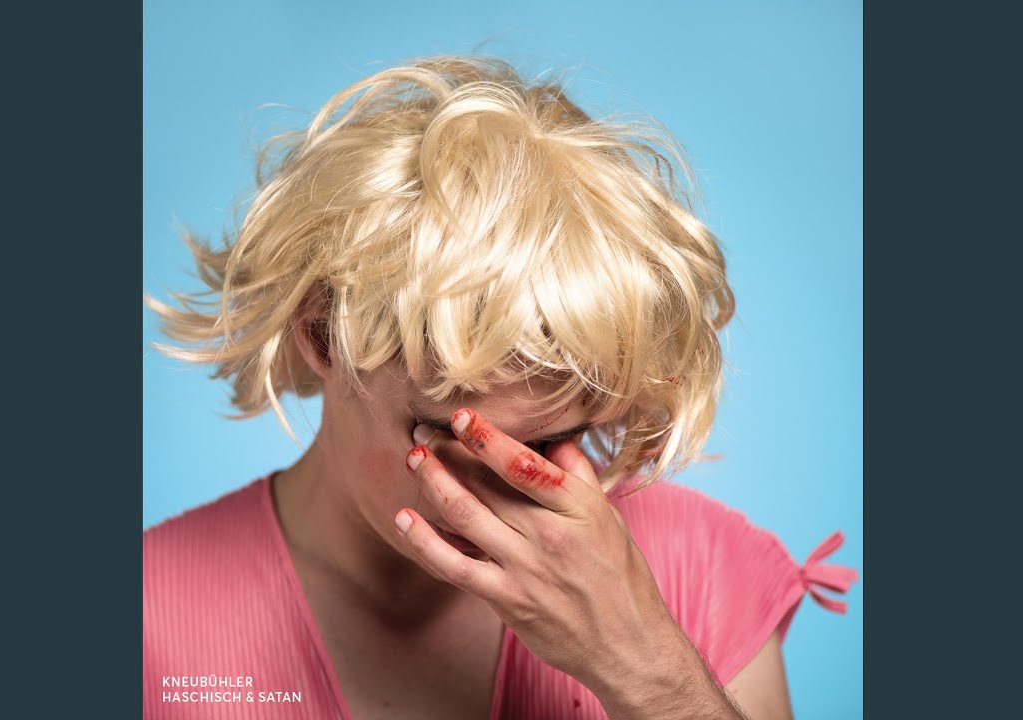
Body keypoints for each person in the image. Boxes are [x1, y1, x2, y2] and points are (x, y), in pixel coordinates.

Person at [143, 54, 857, 720]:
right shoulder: (152, 616)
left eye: (550, 446)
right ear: (325, 335)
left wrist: (650, 672)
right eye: (456, 440)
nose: (500, 501)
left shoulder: (701, 566)